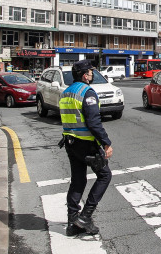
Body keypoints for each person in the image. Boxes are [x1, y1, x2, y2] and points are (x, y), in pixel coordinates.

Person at [60, 59, 113, 234]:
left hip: (70, 143)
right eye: (90, 71)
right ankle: (85, 216)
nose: (92, 73)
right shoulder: (87, 92)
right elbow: (93, 122)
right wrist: (106, 143)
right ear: (85, 75)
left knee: (78, 180)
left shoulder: (66, 92)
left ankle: (72, 222)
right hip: (86, 144)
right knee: (105, 176)